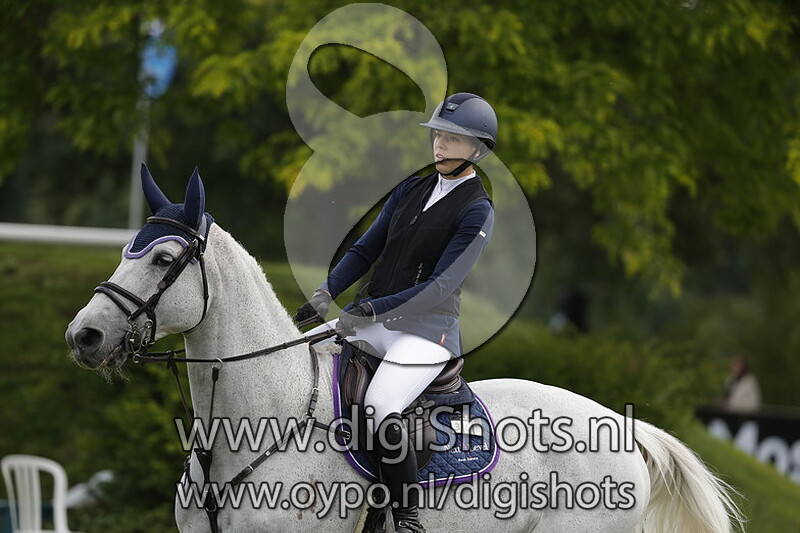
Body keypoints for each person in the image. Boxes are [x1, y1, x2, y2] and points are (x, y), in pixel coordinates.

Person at [294, 93, 497, 533]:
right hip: (374, 319)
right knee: (296, 355)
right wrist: (325, 293)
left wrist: (371, 308)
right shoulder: (410, 189)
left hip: (426, 335)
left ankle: (406, 518)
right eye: (438, 135)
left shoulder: (477, 209)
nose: (439, 145)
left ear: (478, 150)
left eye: (452, 139)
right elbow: (364, 249)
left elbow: (440, 286)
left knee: (380, 406)